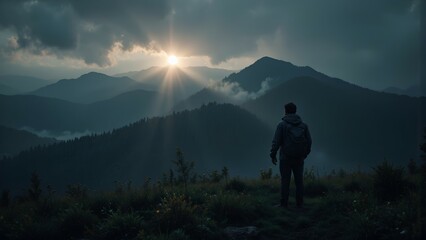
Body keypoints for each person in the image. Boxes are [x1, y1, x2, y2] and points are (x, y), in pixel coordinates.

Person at [270, 102, 312, 208]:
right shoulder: (303, 125)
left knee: (285, 181)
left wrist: (273, 154)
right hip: (299, 158)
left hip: (285, 158)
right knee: (299, 181)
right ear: (295, 111)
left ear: (285, 111)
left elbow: (276, 141)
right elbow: (309, 141)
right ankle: (300, 204)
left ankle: (284, 204)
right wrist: (304, 154)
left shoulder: (282, 125)